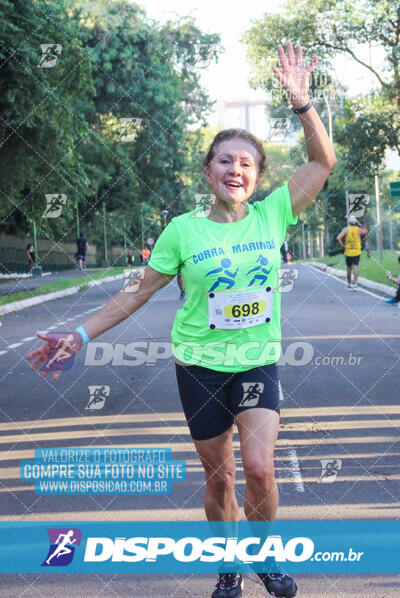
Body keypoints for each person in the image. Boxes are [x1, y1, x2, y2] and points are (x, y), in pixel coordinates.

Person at [26, 42, 337, 598]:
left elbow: (322, 162)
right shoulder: (182, 230)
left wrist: (301, 105)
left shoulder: (274, 214)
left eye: (247, 162)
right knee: (220, 477)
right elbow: (134, 295)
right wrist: (78, 334)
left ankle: (264, 556)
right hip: (198, 367)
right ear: (208, 170)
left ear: (259, 174)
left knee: (261, 470)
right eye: (225, 160)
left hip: (256, 363)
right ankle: (228, 566)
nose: (235, 169)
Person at [336, 215, 368, 290]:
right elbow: (366, 231)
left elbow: (338, 238)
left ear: (349, 222)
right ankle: (355, 284)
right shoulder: (359, 230)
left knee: (349, 268)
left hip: (348, 252)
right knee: (356, 267)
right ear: (355, 222)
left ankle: (349, 285)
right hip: (356, 251)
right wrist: (359, 223)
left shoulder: (345, 230)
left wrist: (342, 246)